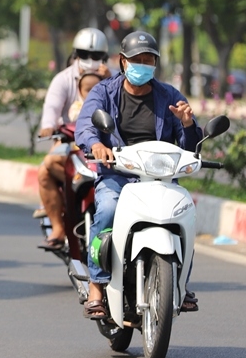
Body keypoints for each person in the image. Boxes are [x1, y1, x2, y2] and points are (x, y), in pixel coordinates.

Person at [75, 29, 202, 320]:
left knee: (185, 212)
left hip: (160, 178)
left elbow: (191, 145)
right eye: (137, 59)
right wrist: (96, 144)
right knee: (106, 210)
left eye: (148, 60)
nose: (142, 65)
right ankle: (97, 285)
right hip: (118, 173)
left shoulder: (169, 96)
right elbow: (86, 124)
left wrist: (188, 123)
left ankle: (180, 284)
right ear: (122, 61)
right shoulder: (104, 92)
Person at [35, 27, 110, 250]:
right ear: (75, 54)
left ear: (104, 57)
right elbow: (51, 109)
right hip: (71, 143)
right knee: (46, 169)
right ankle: (58, 227)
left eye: (96, 56)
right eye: (84, 55)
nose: (90, 60)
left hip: (106, 145)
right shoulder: (63, 80)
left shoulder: (114, 79)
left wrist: (108, 81)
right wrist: (49, 127)